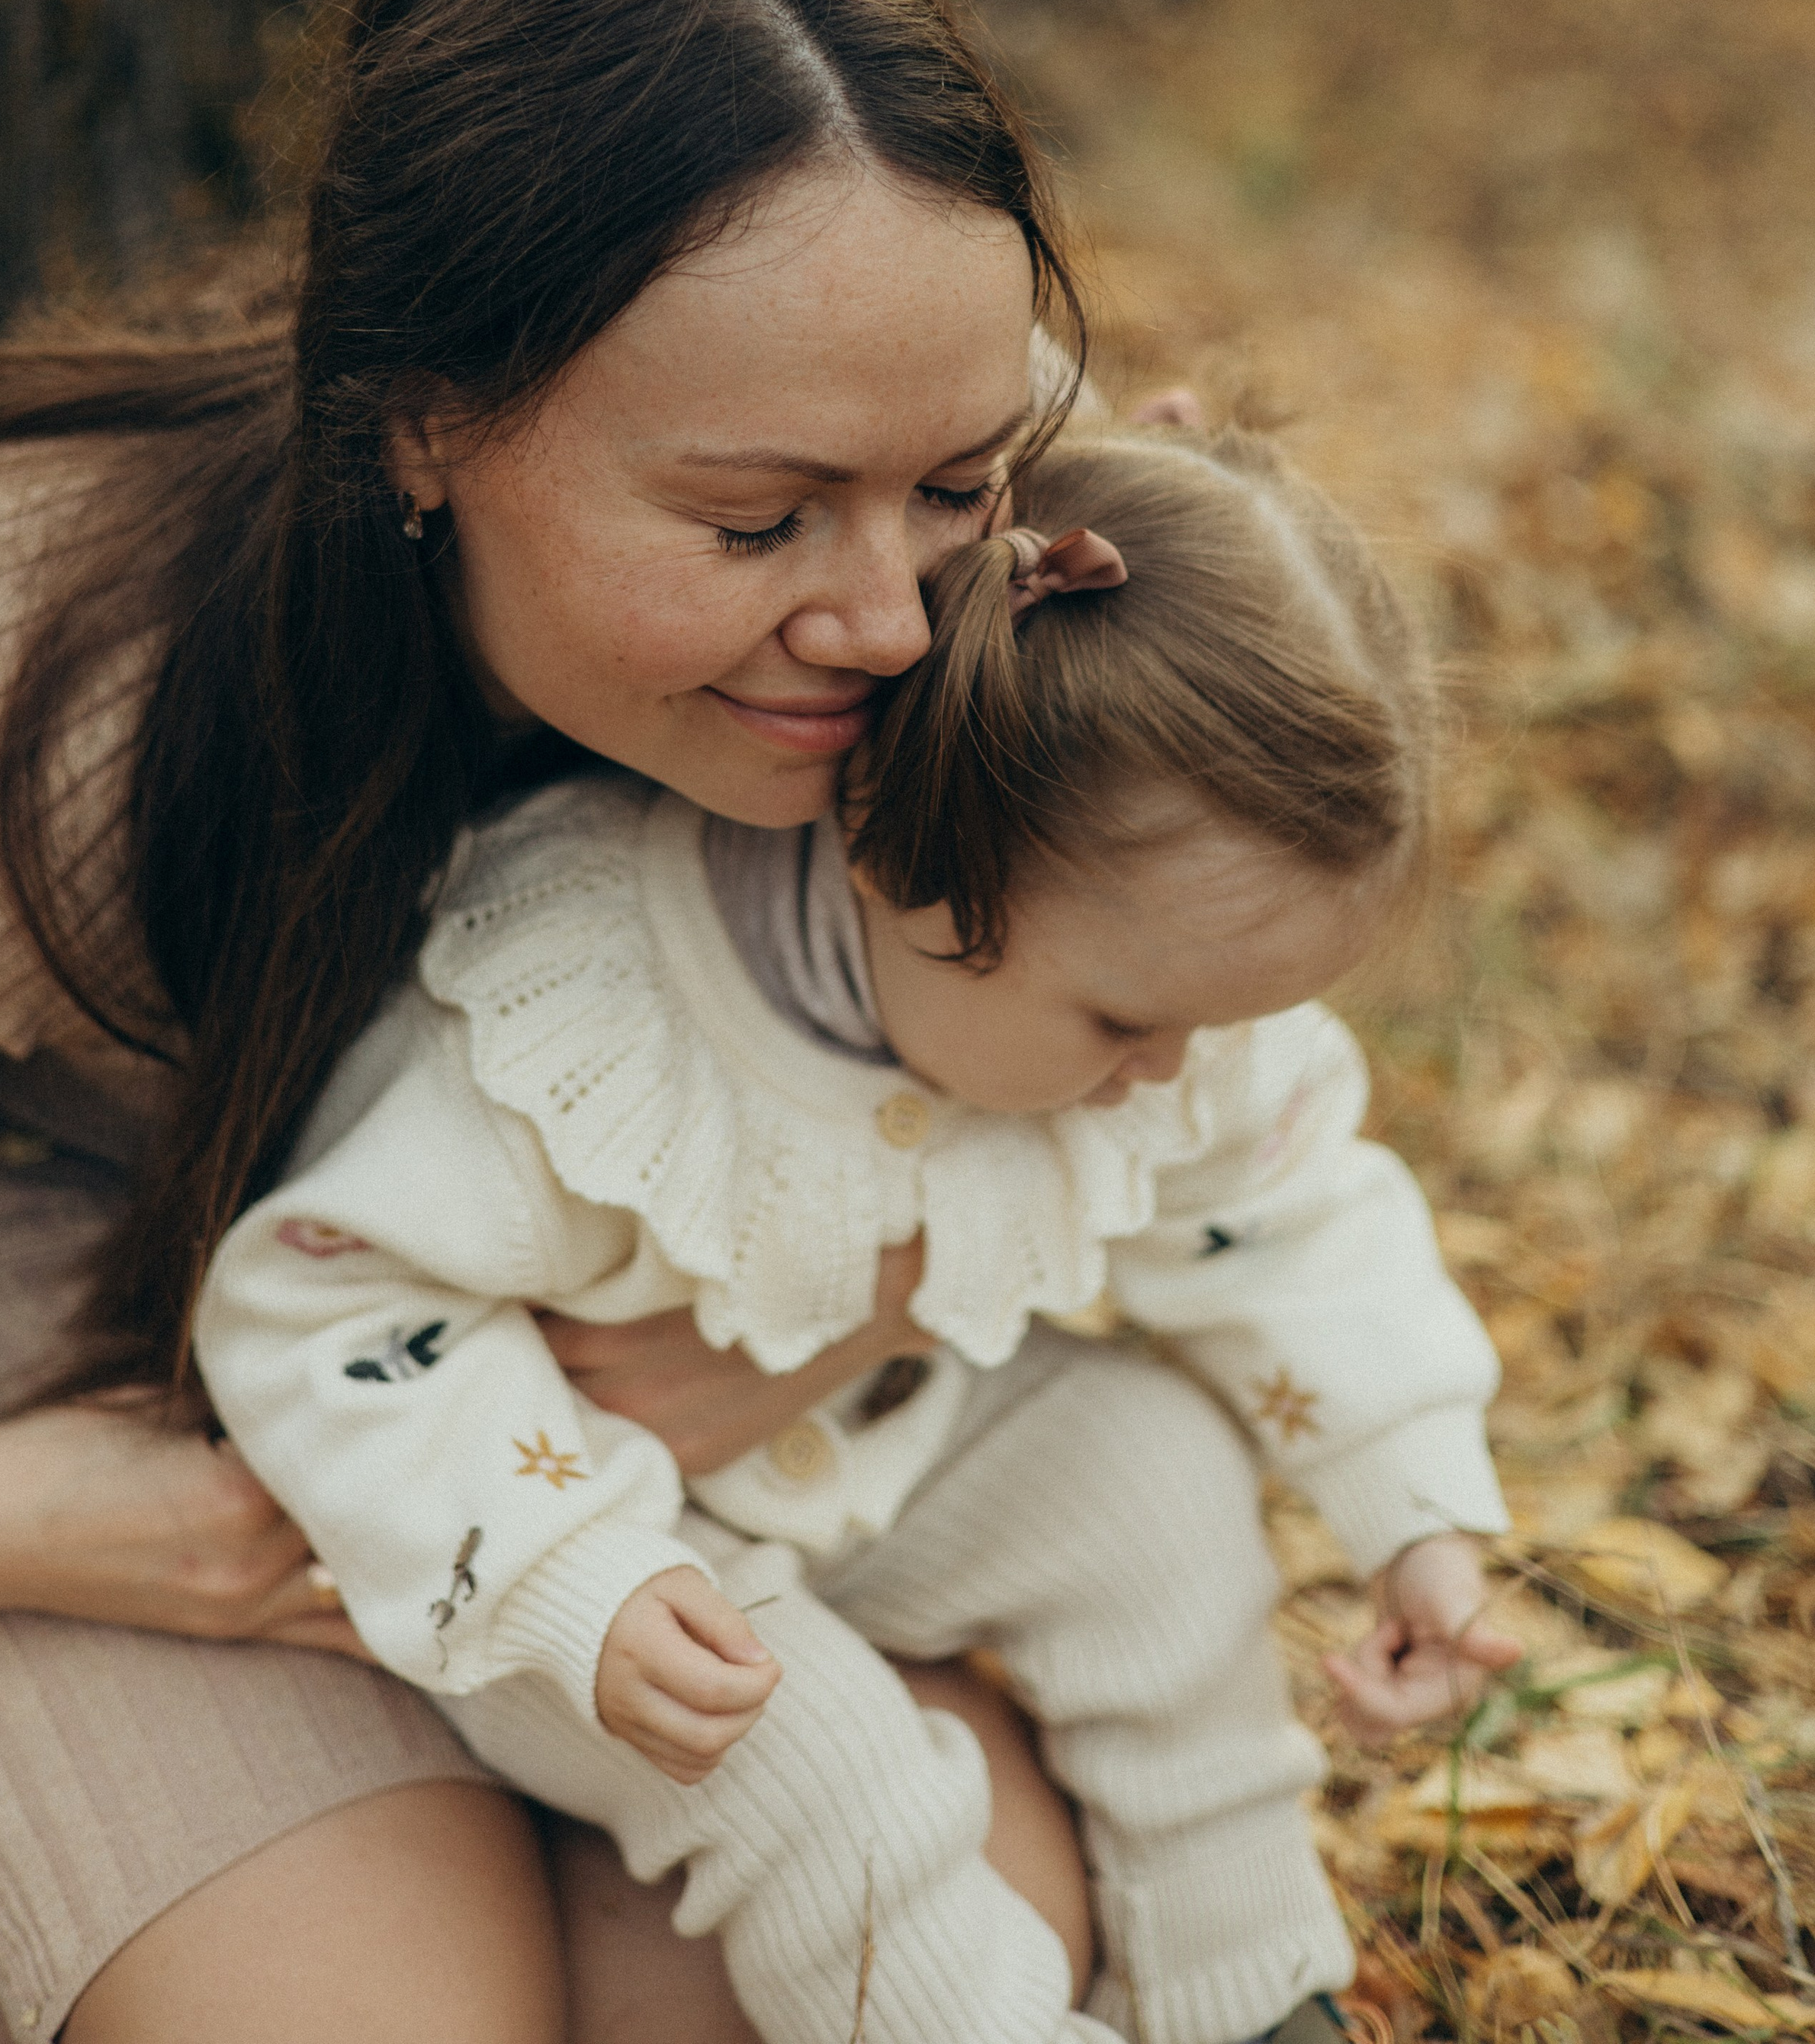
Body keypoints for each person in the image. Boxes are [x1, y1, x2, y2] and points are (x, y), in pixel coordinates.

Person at [0, 0, 1100, 2044]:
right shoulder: (33, 681)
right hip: (86, 1363)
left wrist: (847, 1297)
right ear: (426, 423)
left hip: (585, 1487)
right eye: (749, 520)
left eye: (956, 483)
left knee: (943, 1953)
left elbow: (1185, 1042)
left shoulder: (981, 595)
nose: (887, 618)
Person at [193, 416, 1522, 2044]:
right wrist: (568, 1578)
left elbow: (1287, 1209)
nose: (1170, 1074)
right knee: (817, 1769)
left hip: (877, 1457)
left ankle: (1244, 1982)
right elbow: (325, 1308)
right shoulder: (577, 1027)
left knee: (1155, 1484)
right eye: (1125, 1026)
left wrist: (1408, 1514)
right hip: (609, 1581)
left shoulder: (1140, 992)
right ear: (907, 875)